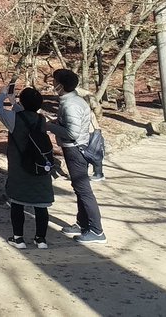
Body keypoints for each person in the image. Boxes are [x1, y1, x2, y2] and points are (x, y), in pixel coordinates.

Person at [45, 68, 106, 244]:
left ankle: (96, 231)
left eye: (54, 81)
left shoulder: (70, 104)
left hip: (75, 150)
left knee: (83, 190)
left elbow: (72, 133)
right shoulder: (73, 100)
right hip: (77, 148)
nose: (52, 84)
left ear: (61, 85)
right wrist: (56, 122)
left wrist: (48, 126)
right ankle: (82, 223)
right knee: (79, 188)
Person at [0, 84, 54, 250]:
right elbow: (16, 109)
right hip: (41, 166)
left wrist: (3, 93)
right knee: (41, 204)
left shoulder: (15, 120)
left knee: (17, 202)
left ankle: (18, 238)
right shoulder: (41, 120)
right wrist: (12, 100)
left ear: (22, 102)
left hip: (20, 167)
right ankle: (41, 239)